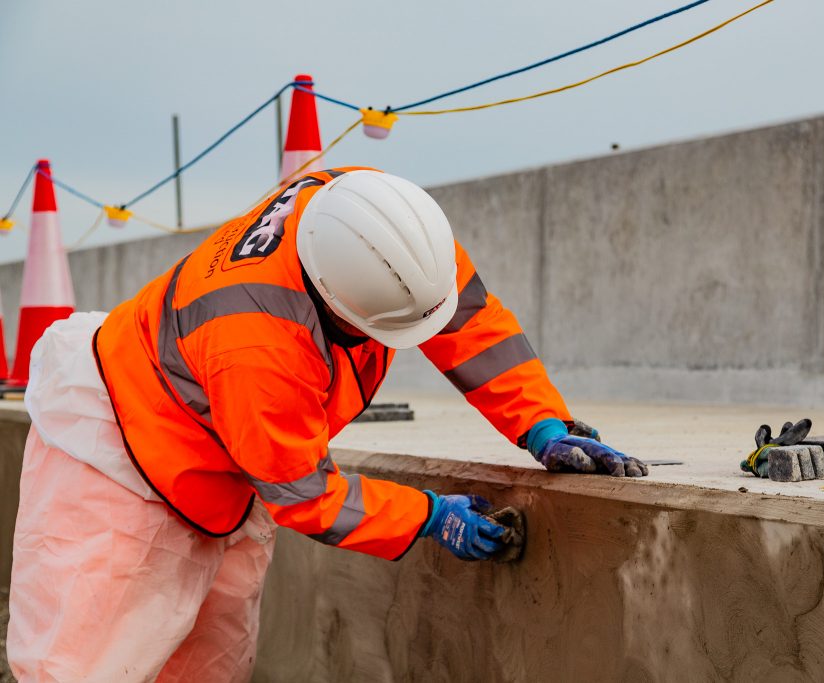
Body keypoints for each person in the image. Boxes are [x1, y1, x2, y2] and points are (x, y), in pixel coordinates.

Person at [7, 167, 648, 682]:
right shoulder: (257, 344)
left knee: (209, 661)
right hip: (121, 444)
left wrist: (542, 424)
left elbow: (468, 323)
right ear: (336, 309)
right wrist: (428, 516)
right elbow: (303, 493)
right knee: (88, 659)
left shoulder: (382, 225)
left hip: (226, 444)